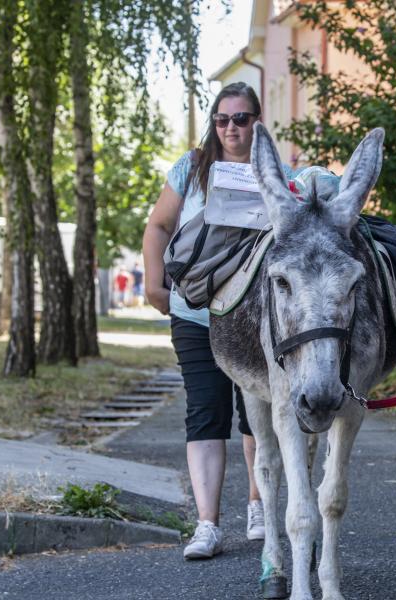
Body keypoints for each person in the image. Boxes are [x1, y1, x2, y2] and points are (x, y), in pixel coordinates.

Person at [142, 82, 272, 560]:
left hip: (254, 318)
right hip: (195, 314)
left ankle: (259, 507)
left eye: (241, 118)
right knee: (205, 413)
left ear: (257, 120)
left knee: (256, 414)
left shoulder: (273, 167)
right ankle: (208, 525)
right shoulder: (191, 167)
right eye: (223, 119)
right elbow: (158, 226)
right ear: (213, 123)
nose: (231, 128)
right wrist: (154, 284)